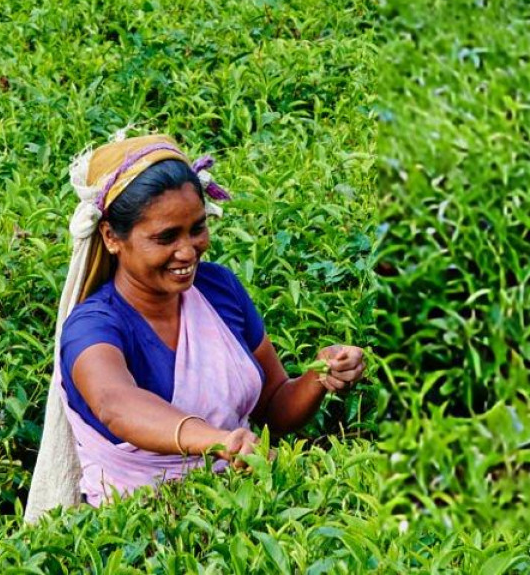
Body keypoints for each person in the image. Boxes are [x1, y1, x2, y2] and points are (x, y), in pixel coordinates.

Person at [22, 134, 370, 520]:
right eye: (165, 237)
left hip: (243, 505)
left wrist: (321, 376)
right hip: (139, 528)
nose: (188, 251)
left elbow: (273, 404)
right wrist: (218, 441)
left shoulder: (218, 289)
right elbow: (115, 404)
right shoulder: (93, 326)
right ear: (111, 238)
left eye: (196, 229)